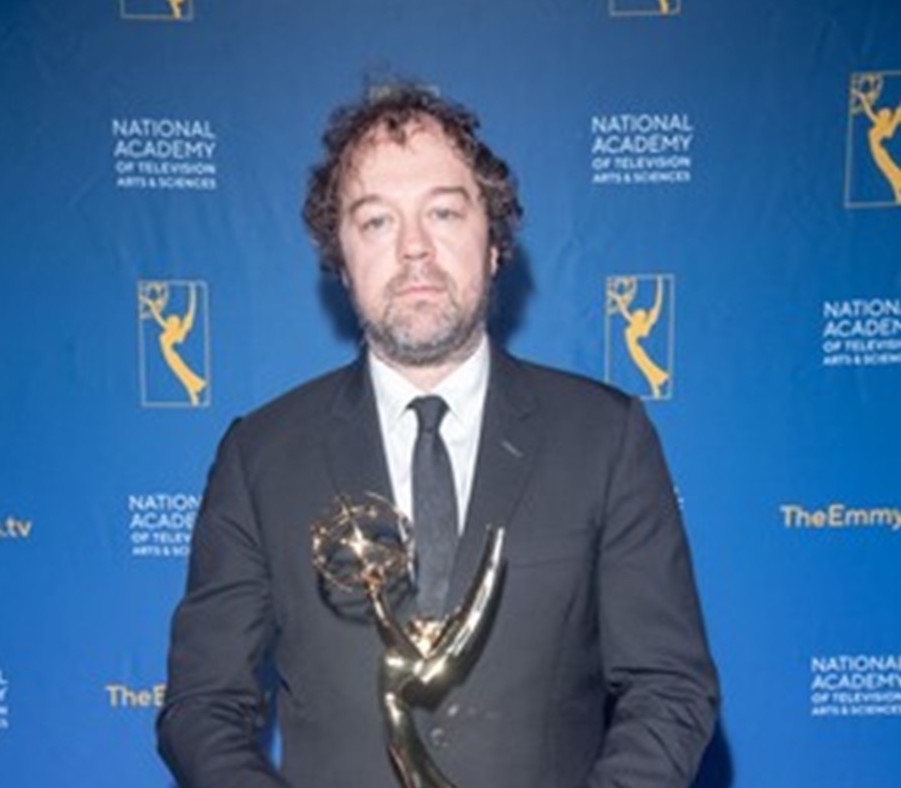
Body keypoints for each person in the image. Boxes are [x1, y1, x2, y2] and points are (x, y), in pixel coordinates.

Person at [157, 83, 719, 788]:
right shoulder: (259, 457)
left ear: (494, 243)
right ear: (341, 258)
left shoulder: (605, 438)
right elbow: (201, 706)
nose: (414, 248)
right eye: (376, 222)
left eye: (444, 212)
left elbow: (669, 689)